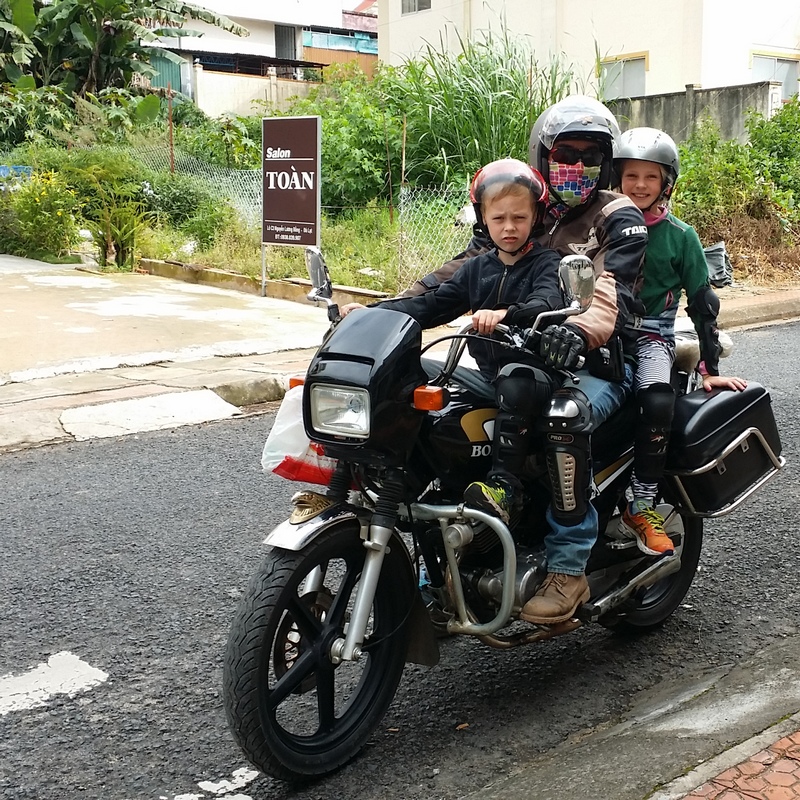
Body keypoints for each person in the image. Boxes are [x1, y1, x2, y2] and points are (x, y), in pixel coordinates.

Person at [391, 95, 650, 625]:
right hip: (514, 359)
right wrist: (381, 312)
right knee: (433, 404)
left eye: (589, 155)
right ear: (544, 156)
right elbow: (457, 275)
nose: (576, 166)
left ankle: (568, 567)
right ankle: (443, 551)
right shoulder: (520, 205)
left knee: (563, 415)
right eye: (565, 154)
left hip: (593, 362)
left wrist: (578, 332)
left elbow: (611, 291)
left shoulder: (615, 213)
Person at [342, 157, 565, 521]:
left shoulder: (547, 263)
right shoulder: (478, 267)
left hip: (536, 375)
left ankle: (504, 486)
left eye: (519, 218)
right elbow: (431, 304)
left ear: (535, 218)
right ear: (483, 220)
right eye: (499, 218)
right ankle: (408, 480)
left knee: (517, 380)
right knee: (409, 372)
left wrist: (506, 312)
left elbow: (546, 301)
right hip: (488, 376)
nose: (509, 227)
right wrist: (373, 311)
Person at [613, 127, 747, 555]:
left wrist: (710, 370)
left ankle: (642, 503)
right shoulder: (602, 224)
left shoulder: (680, 235)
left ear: (666, 183)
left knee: (656, 401)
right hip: (599, 330)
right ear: (617, 178)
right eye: (631, 175)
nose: (639, 185)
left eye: (650, 177)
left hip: (652, 334)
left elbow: (703, 304)